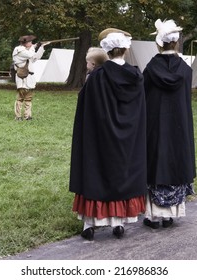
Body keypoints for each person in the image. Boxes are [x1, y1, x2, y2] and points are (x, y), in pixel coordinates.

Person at [69, 28, 147, 241]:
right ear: (124, 49)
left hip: (100, 137)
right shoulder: (137, 76)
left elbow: (86, 109)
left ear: (107, 50)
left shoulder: (97, 77)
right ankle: (118, 223)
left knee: (97, 173)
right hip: (128, 139)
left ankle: (90, 224)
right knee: (122, 173)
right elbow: (140, 111)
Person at [143, 19, 196, 229]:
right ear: (175, 44)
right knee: (174, 160)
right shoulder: (185, 69)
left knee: (156, 161)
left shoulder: (150, 69)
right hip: (178, 126)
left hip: (155, 125)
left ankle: (154, 215)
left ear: (159, 43)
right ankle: (172, 213)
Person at [12, 35, 46, 120]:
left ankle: (27, 116)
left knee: (28, 98)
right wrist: (34, 46)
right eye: (29, 42)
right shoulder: (19, 50)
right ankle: (18, 116)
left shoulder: (27, 51)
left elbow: (36, 57)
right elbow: (31, 55)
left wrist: (41, 47)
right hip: (22, 78)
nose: (31, 43)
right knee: (20, 98)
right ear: (25, 43)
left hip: (29, 78)